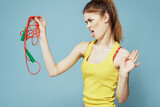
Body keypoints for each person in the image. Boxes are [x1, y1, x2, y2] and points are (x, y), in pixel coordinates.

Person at [34, 0, 140, 107]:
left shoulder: (121, 55)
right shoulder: (83, 47)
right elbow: (53, 70)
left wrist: (124, 74)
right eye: (86, 22)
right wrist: (42, 37)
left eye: (91, 20)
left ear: (106, 17)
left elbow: (122, 99)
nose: (88, 26)